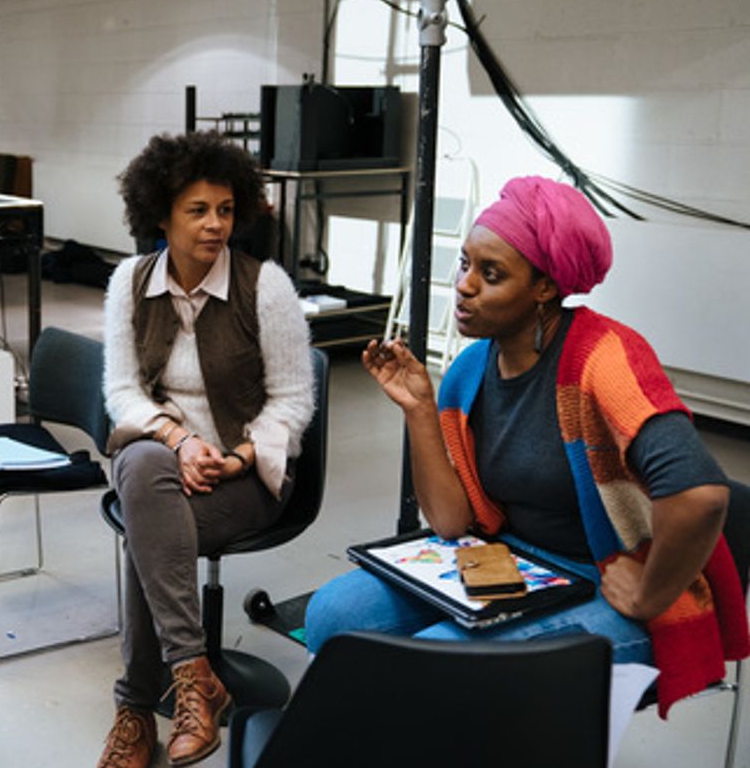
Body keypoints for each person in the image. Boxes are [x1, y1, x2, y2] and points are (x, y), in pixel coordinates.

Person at [304, 175, 749, 716]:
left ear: (544, 288)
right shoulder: (471, 369)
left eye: (491, 274)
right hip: (514, 562)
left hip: (608, 576)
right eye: (465, 264)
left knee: (439, 665)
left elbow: (702, 496)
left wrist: (651, 593)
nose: (464, 286)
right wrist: (420, 410)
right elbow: (450, 523)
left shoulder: (605, 360)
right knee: (331, 615)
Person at [96, 131, 314, 768]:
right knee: (143, 466)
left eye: (225, 209)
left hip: (246, 474)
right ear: (160, 216)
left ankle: (136, 709)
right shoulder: (128, 283)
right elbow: (122, 391)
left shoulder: (265, 287)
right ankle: (193, 677)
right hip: (162, 466)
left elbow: (293, 401)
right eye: (197, 210)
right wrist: (181, 439)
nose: (216, 224)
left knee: (148, 528)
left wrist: (238, 456)